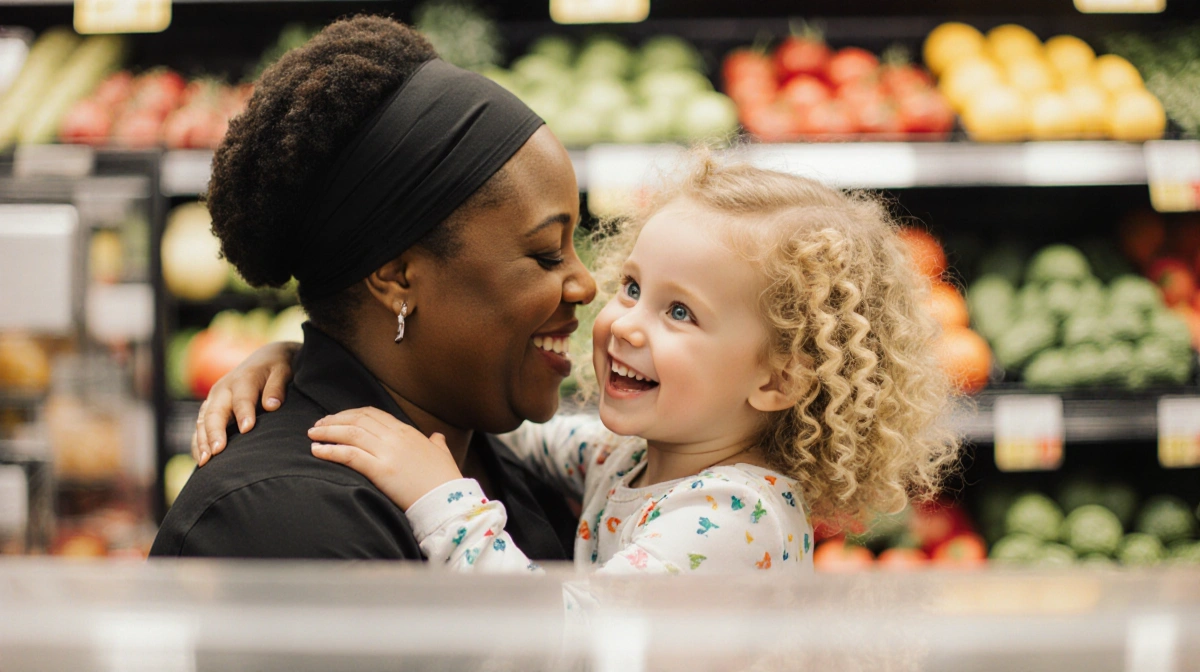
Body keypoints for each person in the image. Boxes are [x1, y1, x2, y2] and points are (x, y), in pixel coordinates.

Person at [194, 155, 961, 573]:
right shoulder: (631, 457)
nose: (622, 321)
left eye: (680, 313)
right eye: (634, 287)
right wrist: (315, 356)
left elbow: (564, 643)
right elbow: (514, 431)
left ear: (778, 379)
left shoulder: (736, 519)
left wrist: (439, 498)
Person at [150, 15, 596, 560]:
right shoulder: (283, 522)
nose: (585, 284)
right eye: (547, 253)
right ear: (396, 276)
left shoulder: (491, 451)